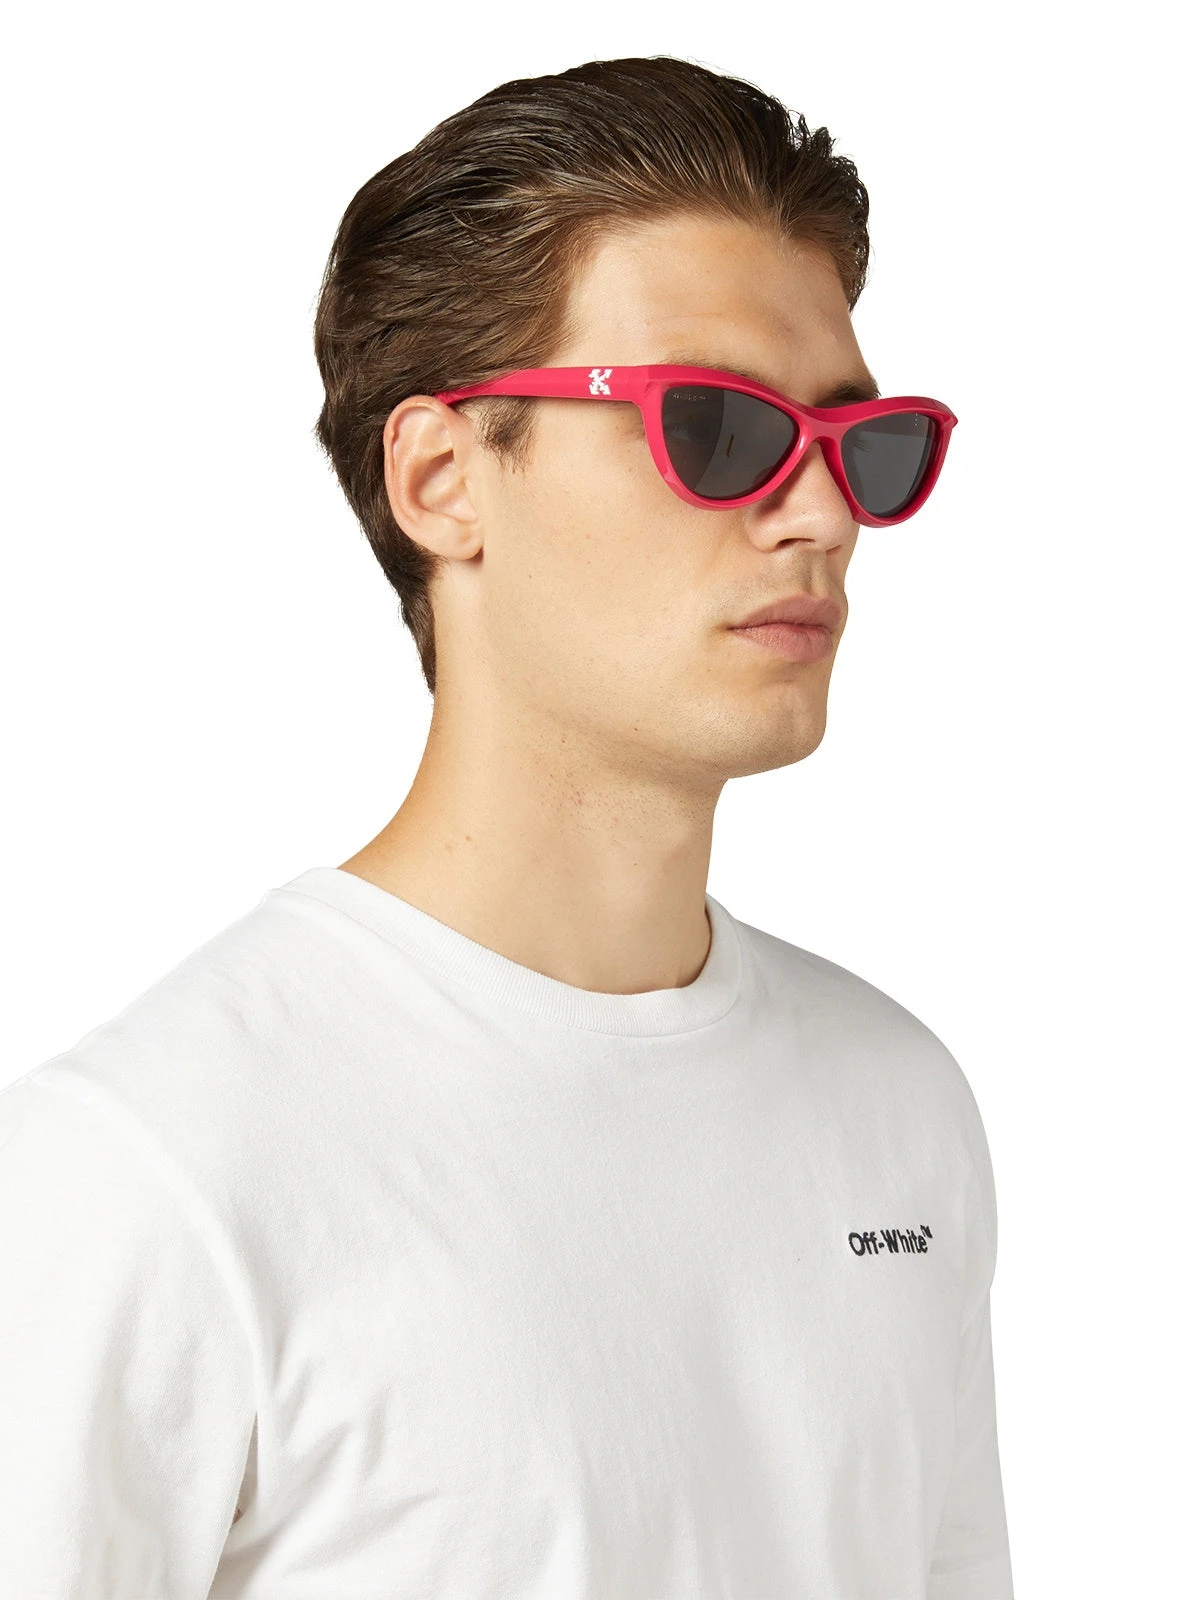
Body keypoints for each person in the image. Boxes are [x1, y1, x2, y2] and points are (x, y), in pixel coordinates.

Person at [0, 55, 1014, 1599]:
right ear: (440, 477)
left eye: (857, 446)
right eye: (716, 428)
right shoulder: (147, 1169)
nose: (821, 516)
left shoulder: (899, 1109)